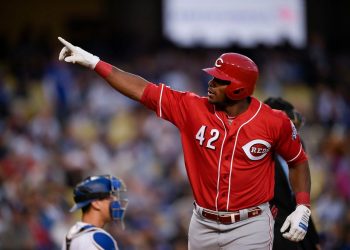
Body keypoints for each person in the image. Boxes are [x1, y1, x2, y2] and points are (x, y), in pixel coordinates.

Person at [58, 37, 312, 250]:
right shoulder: (192, 107)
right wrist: (94, 63)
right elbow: (142, 90)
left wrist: (302, 206)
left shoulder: (273, 121)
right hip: (203, 224)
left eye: (219, 80)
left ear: (238, 88)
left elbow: (298, 161)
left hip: (250, 226)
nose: (210, 83)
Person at [264, 97, 321, 250]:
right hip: (270, 234)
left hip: (300, 231)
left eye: (295, 127)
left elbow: (300, 202)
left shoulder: (298, 145)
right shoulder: (258, 151)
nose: (293, 132)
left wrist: (314, 240)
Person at [62, 175, 128, 250]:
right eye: (110, 198)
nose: (116, 202)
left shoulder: (71, 235)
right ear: (96, 203)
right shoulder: (99, 238)